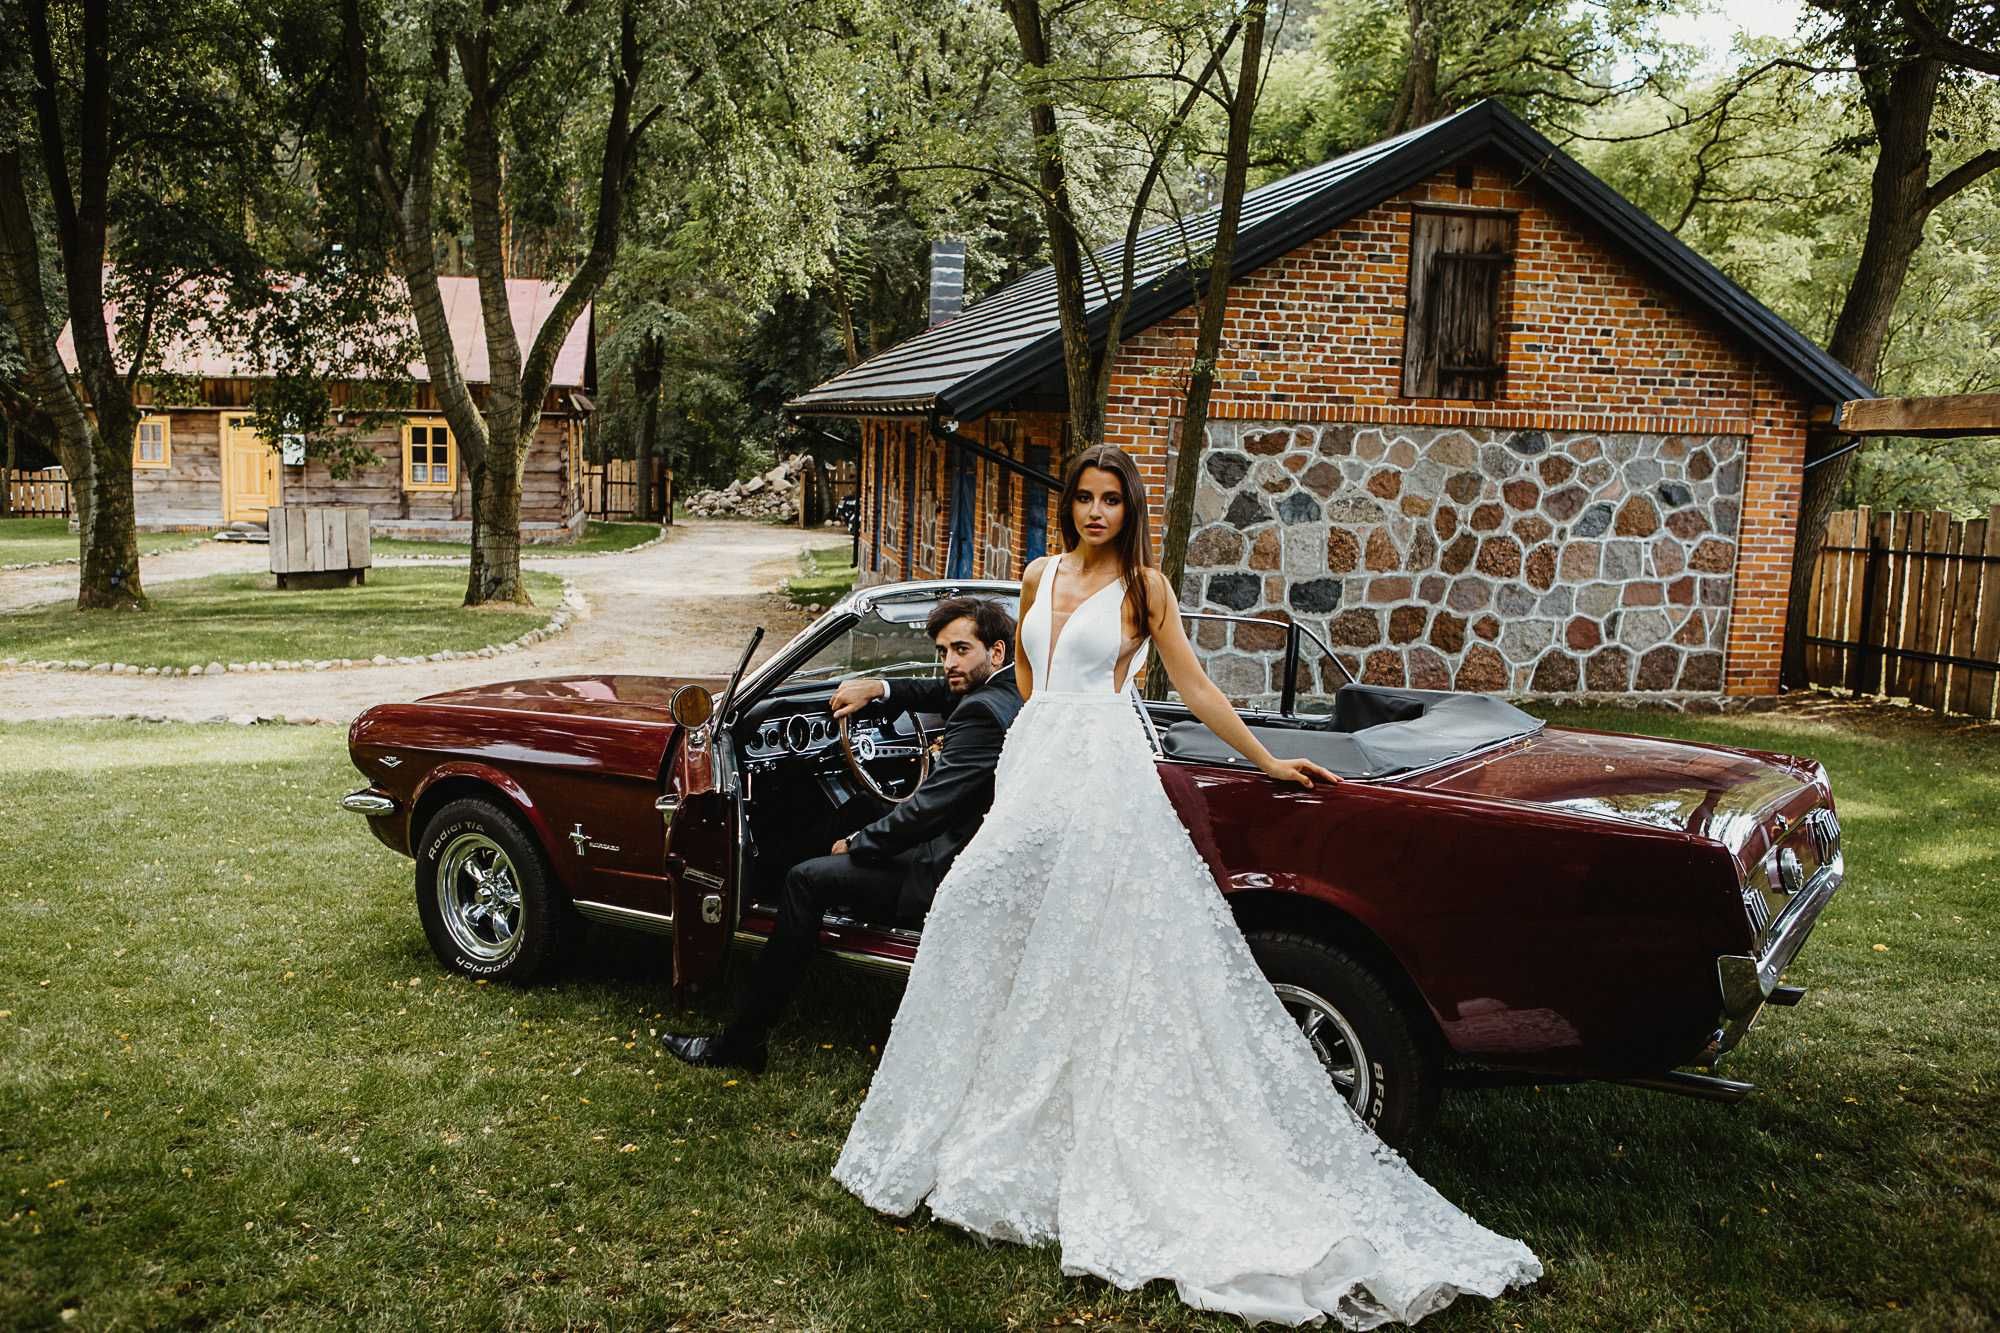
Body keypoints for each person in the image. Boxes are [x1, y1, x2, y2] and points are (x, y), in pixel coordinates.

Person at [830, 445, 1543, 1328]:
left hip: (1107, 774)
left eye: (1111, 501)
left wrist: (1266, 757)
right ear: (1069, 506)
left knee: (1094, 940)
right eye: (1084, 499)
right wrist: (1021, 742)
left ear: (1130, 509)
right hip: (1038, 766)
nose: (1096, 513)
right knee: (976, 906)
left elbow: (1196, 683)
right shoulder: (1037, 572)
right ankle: (971, 1108)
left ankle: (1086, 1119)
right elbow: (1024, 678)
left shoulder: (1146, 589)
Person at [659, 596, 1024, 1073]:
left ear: (995, 652)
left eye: (960, 650)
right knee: (846, 813)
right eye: (941, 652)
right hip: (969, 844)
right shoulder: (1010, 689)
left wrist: (860, 843)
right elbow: (940, 694)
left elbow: (927, 809)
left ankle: (741, 1042)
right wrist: (878, 687)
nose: (948, 663)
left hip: (941, 869)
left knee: (804, 880)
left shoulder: (979, 718)